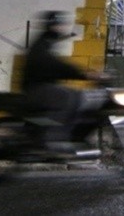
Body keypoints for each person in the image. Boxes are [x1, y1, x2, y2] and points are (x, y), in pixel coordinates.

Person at [22, 10, 93, 146]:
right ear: (52, 25)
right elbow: (55, 64)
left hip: (40, 86)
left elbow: (56, 66)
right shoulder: (42, 44)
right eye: (59, 24)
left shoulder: (47, 41)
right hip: (35, 89)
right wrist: (83, 74)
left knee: (76, 94)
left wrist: (81, 74)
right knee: (66, 97)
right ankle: (55, 136)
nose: (62, 27)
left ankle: (72, 136)